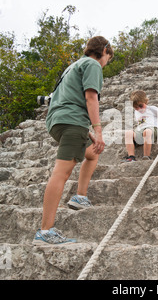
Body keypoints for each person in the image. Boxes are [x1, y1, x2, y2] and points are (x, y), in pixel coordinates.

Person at [33, 36, 114, 245]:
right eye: (108, 58)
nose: (106, 63)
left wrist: (89, 135)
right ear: (104, 50)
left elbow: (69, 99)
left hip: (58, 120)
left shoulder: (74, 66)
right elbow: (90, 97)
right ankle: (45, 231)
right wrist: (98, 129)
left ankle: (80, 196)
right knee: (62, 172)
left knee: (93, 153)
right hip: (71, 122)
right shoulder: (92, 65)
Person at [123, 91, 158, 162]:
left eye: (141, 106)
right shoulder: (136, 112)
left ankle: (146, 156)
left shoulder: (152, 109)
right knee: (128, 133)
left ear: (145, 101)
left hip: (153, 130)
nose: (139, 109)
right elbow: (141, 123)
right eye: (136, 107)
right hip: (141, 131)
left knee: (147, 131)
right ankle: (131, 157)